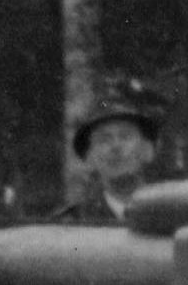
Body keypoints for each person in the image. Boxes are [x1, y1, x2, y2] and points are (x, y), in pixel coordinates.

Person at [58, 80, 166, 223]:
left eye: (125, 136)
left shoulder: (172, 218)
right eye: (104, 139)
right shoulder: (72, 224)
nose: (115, 146)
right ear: (90, 158)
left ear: (148, 151)